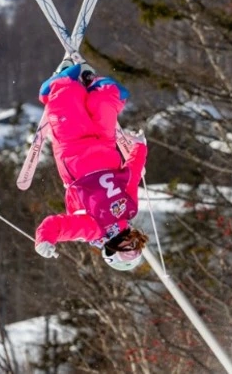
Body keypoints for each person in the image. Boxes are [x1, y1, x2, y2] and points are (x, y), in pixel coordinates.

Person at [33, 60, 149, 271]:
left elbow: (58, 225)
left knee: (66, 99)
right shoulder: (129, 210)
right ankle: (92, 84)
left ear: (111, 252)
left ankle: (60, 83)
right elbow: (131, 176)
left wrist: (45, 239)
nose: (131, 245)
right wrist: (140, 148)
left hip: (75, 153)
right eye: (135, 247)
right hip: (104, 146)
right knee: (109, 96)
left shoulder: (94, 230)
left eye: (127, 251)